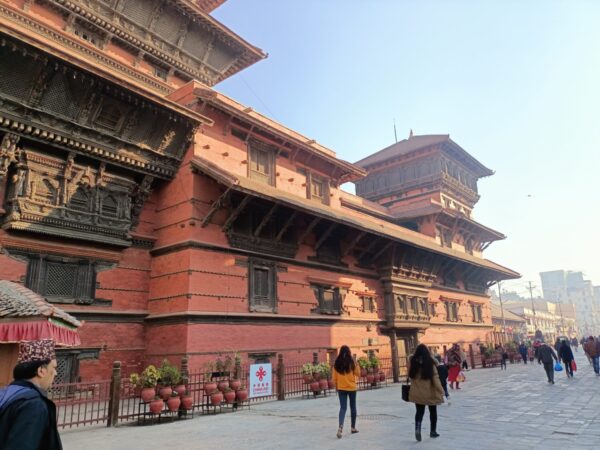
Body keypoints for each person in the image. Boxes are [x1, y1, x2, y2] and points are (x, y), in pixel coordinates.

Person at [0, 339, 62, 450]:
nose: (55, 373)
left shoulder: (5, 393)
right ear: (41, 371)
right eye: (54, 367)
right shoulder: (33, 404)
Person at [408, 344, 444, 441]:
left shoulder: (413, 364)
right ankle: (433, 431)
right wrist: (442, 391)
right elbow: (436, 380)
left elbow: (409, 375)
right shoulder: (430, 364)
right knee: (433, 412)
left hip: (417, 392)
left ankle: (418, 429)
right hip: (430, 392)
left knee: (419, 412)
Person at [332, 345, 360, 439]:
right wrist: (356, 362)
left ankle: (340, 427)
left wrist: (337, 387)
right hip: (352, 388)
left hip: (341, 388)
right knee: (353, 407)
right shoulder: (351, 362)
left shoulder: (337, 363)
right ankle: (353, 428)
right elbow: (358, 374)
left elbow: (334, 378)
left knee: (343, 408)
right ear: (349, 352)